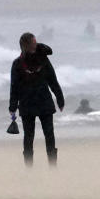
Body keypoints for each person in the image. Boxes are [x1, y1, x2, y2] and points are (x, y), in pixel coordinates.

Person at [9, 32, 64, 166]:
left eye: (35, 43)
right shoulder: (17, 64)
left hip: (44, 101)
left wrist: (60, 98)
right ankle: (29, 168)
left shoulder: (43, 60)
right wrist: (12, 107)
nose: (35, 45)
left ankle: (52, 166)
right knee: (29, 137)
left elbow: (52, 80)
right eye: (33, 43)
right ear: (25, 46)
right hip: (27, 104)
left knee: (49, 135)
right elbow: (14, 87)